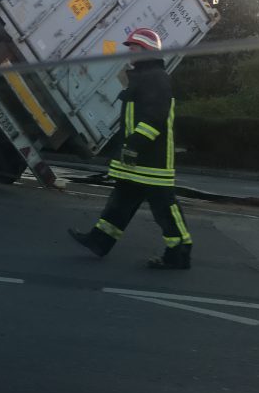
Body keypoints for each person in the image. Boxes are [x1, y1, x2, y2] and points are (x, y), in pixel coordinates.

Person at [68, 27, 192, 270]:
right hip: (137, 160)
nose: (130, 53)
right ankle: (99, 240)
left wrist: (133, 145)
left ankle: (179, 252)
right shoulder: (145, 77)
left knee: (164, 208)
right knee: (121, 201)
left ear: (147, 51)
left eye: (134, 48)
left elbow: (154, 118)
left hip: (152, 162)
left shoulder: (155, 78)